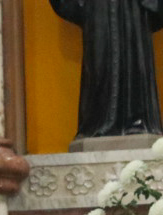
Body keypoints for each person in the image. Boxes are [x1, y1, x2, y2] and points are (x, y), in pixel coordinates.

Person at [50, 0, 163, 140]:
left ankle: (137, 121)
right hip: (98, 8)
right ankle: (96, 123)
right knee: (99, 63)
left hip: (133, 8)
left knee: (134, 57)